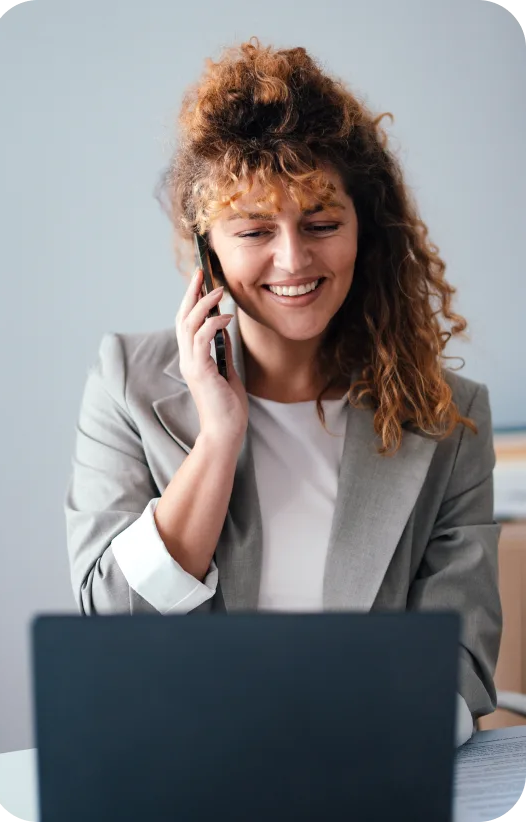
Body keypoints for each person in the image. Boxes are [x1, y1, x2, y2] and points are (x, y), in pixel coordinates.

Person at [64, 38, 502, 746]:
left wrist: (359, 746)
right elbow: (112, 625)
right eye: (255, 230)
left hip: (368, 767)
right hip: (183, 765)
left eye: (322, 224)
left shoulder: (450, 418)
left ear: (366, 228)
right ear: (208, 249)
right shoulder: (126, 383)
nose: (294, 260)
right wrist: (218, 437)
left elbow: (460, 662)